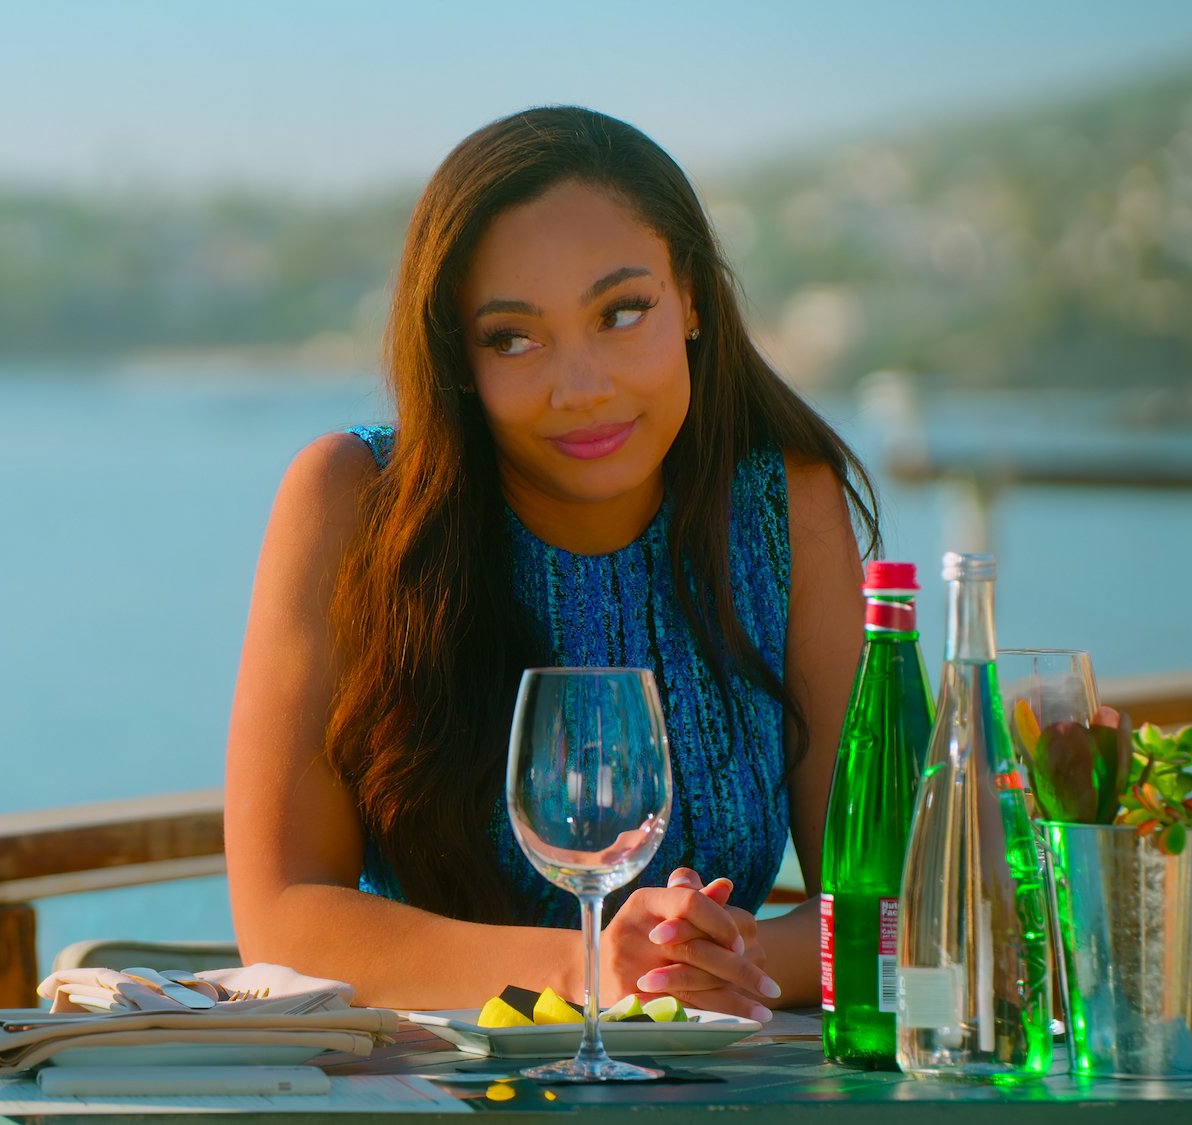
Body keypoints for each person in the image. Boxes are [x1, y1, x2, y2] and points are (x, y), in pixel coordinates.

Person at [224, 107, 876, 1019]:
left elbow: (895, 907)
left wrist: (714, 958)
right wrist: (588, 967)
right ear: (459, 354)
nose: (582, 387)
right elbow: (284, 918)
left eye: (621, 313)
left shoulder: (782, 503)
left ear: (689, 296)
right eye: (513, 338)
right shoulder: (355, 500)